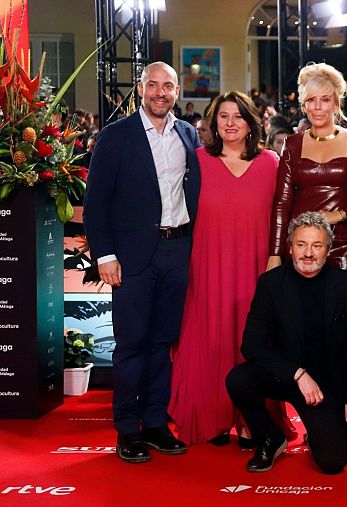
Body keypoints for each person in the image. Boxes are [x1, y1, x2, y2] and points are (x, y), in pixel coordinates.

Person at [84, 62, 201, 463]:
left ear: (177, 90)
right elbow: (95, 203)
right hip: (131, 258)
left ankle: (154, 423)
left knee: (162, 342)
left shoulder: (187, 134)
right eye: (153, 85)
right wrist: (105, 255)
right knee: (131, 344)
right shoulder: (115, 138)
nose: (160, 92)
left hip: (176, 252)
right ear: (140, 88)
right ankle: (127, 428)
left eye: (168, 86)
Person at [168, 91, 297, 447]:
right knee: (209, 340)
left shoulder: (271, 162)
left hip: (257, 267)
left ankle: (250, 421)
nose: (229, 123)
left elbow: (283, 216)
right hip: (206, 268)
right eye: (222, 116)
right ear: (213, 123)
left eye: (237, 116)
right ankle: (214, 418)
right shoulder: (197, 161)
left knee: (251, 340)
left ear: (251, 122)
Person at [226, 212, 347, 474]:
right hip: (285, 374)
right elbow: (251, 345)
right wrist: (297, 373)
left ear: (328, 249)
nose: (308, 253)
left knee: (333, 463)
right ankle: (270, 437)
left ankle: (317, 434)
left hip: (325, 385)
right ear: (290, 248)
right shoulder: (271, 284)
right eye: (301, 245)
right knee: (239, 379)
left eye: (316, 245)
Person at [268, 63, 347, 274]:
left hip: (344, 242)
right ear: (304, 106)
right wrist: (274, 254)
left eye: (325, 99)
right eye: (311, 100)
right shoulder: (292, 144)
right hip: (301, 243)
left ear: (336, 104)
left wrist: (339, 215)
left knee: (342, 305)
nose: (318, 106)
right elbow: (282, 203)